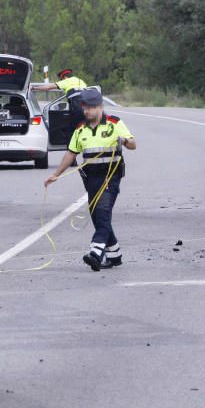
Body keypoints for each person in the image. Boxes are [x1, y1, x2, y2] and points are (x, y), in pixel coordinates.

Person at [44, 87, 136, 271]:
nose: (86, 111)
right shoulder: (80, 130)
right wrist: (56, 175)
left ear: (100, 106)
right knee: (97, 218)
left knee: (102, 213)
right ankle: (115, 255)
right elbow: (71, 154)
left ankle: (95, 252)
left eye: (90, 108)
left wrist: (123, 140)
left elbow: (133, 144)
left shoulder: (114, 123)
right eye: (84, 108)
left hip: (111, 177)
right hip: (90, 180)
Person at [31, 69, 91, 138]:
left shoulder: (66, 81)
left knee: (71, 131)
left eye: (61, 79)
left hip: (76, 108)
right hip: (88, 109)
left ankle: (71, 148)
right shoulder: (80, 81)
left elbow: (48, 87)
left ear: (64, 77)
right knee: (84, 129)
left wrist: (33, 88)